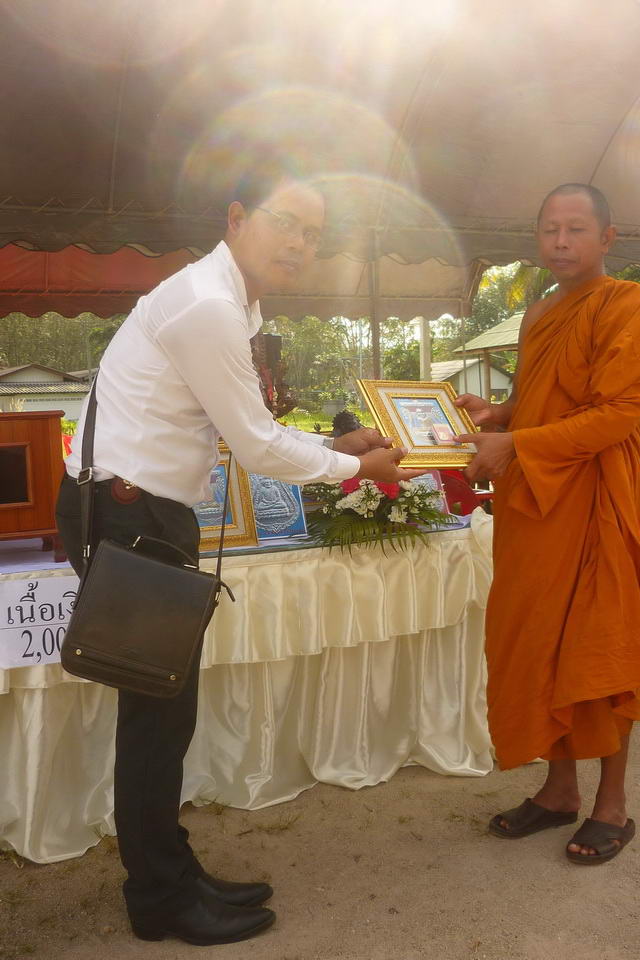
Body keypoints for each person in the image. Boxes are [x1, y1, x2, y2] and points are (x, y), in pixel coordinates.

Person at [56, 161, 422, 946]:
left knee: (166, 710)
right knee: (155, 716)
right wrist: (357, 465)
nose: (299, 243)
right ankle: (158, 899)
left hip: (144, 510)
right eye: (285, 221)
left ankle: (172, 870)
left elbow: (240, 422)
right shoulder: (207, 306)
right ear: (236, 218)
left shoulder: (232, 302)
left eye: (314, 233)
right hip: (129, 514)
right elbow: (254, 444)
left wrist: (332, 444)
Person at [455, 183, 640, 865]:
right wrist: (497, 417)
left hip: (592, 501)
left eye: (576, 229)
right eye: (549, 229)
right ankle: (558, 793)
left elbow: (614, 415)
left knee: (600, 653)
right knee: (538, 646)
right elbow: (533, 402)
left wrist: (515, 442)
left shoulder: (629, 305)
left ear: (607, 238)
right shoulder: (538, 312)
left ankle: (613, 804)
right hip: (533, 509)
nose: (561, 241)